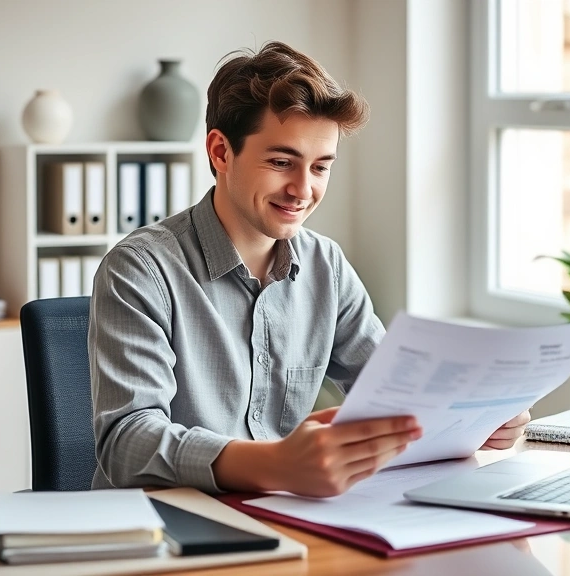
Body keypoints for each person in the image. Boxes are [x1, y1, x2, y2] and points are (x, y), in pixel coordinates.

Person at [89, 41, 530, 498]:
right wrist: (274, 464)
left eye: (321, 167)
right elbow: (127, 443)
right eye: (282, 162)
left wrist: (476, 415)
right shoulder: (139, 269)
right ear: (221, 153)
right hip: (162, 533)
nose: (303, 189)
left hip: (284, 519)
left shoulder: (327, 267)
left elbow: (397, 396)